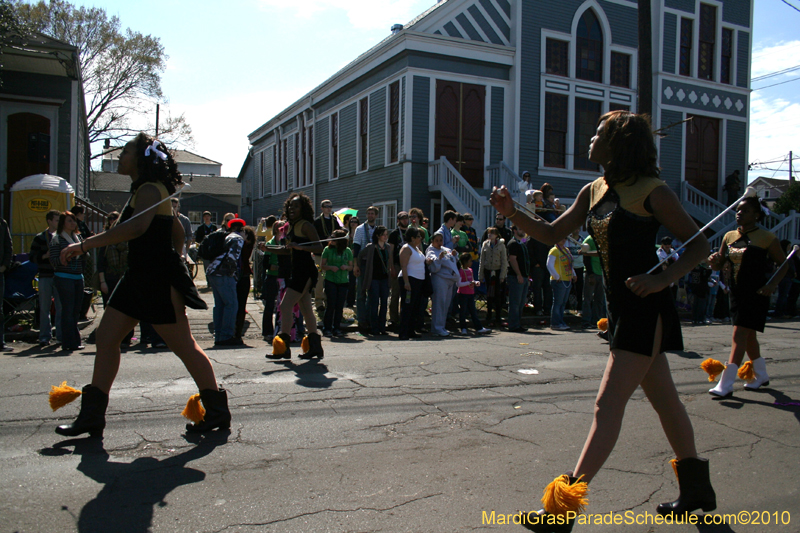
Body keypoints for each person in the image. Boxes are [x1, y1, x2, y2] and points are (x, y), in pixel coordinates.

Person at [490, 110, 715, 528]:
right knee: (666, 401)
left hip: (645, 309)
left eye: (598, 134)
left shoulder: (654, 191)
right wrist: (511, 212)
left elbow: (700, 245)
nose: (590, 138)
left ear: (619, 145)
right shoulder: (594, 189)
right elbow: (551, 234)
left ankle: (561, 510)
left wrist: (662, 277)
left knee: (606, 406)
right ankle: (697, 489)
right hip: (621, 309)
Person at [55, 133, 230, 437]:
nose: (120, 157)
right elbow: (174, 228)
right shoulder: (145, 190)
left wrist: (84, 245)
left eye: (125, 151)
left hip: (156, 280)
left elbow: (135, 228)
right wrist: (178, 254)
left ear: (141, 159)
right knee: (107, 338)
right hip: (138, 277)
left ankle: (216, 411)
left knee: (185, 346)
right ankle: (92, 417)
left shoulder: (150, 189)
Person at [706, 197, 787, 397]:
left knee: (739, 335)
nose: (739, 213)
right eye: (738, 210)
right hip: (736, 293)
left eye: (744, 211)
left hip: (756, 293)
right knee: (749, 337)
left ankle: (725, 384)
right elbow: (720, 263)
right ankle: (761, 375)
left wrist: (772, 285)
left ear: (756, 215)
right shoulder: (729, 236)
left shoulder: (767, 238)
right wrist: (713, 261)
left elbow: (784, 264)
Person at [267, 193, 325, 360]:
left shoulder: (306, 225)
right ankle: (315, 347)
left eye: (296, 206)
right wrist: (268, 249)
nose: (292, 209)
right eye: (290, 206)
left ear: (303, 209)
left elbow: (319, 248)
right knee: (306, 310)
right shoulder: (290, 226)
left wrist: (300, 247)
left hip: (305, 271)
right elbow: (287, 250)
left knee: (285, 307)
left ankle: (283, 347)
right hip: (297, 271)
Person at [49, 211, 86, 352]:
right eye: (69, 221)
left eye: (74, 221)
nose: (73, 223)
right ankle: (68, 342)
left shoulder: (78, 238)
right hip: (64, 277)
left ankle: (75, 340)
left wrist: (80, 251)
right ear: (62, 223)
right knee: (67, 310)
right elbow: (54, 260)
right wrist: (67, 256)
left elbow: (85, 256)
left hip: (78, 277)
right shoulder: (57, 239)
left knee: (76, 311)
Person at [95, 212, 133, 346]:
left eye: (115, 219)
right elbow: (100, 263)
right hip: (110, 277)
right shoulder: (106, 239)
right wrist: (102, 282)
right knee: (110, 308)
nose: (112, 221)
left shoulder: (128, 238)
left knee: (127, 307)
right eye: (110, 219)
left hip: (125, 276)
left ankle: (127, 337)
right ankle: (111, 337)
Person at [207, 218, 245, 346]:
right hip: (224, 274)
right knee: (232, 305)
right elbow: (232, 257)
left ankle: (218, 335)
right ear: (242, 230)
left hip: (212, 271)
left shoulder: (226, 236)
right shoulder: (238, 239)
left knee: (219, 305)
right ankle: (226, 336)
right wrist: (233, 274)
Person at [30, 209, 62, 347]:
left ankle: (60, 336)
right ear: (49, 221)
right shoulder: (40, 238)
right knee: (44, 307)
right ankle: (44, 336)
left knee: (61, 307)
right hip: (45, 275)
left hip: (60, 275)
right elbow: (32, 257)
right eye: (56, 220)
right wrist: (44, 256)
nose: (59, 223)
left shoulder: (62, 237)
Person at [358, 226, 393, 336]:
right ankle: (374, 327)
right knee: (374, 303)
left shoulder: (387, 247)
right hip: (373, 279)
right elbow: (360, 256)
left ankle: (382, 327)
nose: (386, 237)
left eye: (386, 235)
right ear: (378, 235)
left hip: (384, 278)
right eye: (384, 234)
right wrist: (363, 268)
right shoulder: (371, 247)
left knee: (384, 303)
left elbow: (389, 262)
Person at [313, 199, 343, 318]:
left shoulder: (334, 220)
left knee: (331, 278)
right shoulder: (316, 221)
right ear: (322, 208)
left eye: (330, 206)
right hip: (320, 254)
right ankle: (319, 302)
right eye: (326, 206)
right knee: (320, 278)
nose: (328, 208)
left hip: (332, 253)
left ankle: (329, 300)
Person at [426, 232, 460, 337]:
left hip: (450, 279)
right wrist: (439, 259)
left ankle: (442, 326)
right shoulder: (431, 251)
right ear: (432, 241)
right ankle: (436, 328)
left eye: (440, 240)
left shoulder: (446, 249)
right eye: (436, 240)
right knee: (439, 304)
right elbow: (433, 267)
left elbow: (453, 259)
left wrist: (455, 255)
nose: (439, 243)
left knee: (446, 304)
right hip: (440, 279)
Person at [321, 229, 353, 336]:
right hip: (330, 280)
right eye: (332, 238)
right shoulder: (327, 249)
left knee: (339, 306)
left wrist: (346, 267)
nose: (332, 240)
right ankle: (327, 328)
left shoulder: (347, 251)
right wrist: (330, 267)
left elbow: (351, 266)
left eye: (335, 238)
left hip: (343, 281)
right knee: (331, 305)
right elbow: (322, 265)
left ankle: (337, 328)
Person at [398, 227, 428, 340]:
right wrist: (406, 282)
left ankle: (411, 330)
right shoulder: (406, 248)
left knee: (415, 307)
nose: (420, 238)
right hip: (409, 279)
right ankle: (403, 332)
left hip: (419, 280)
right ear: (412, 238)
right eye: (418, 236)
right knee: (407, 307)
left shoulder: (417, 248)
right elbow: (404, 266)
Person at [353, 206, 378, 331]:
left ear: (376, 215)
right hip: (363, 263)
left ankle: (369, 319)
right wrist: (356, 265)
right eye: (368, 213)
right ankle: (361, 320)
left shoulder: (379, 230)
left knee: (373, 293)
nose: (370, 215)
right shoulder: (360, 229)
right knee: (361, 293)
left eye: (372, 213)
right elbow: (356, 248)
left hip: (375, 264)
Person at [478, 227, 507, 327]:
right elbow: (482, 260)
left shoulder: (501, 245)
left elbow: (504, 261)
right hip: (488, 270)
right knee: (489, 294)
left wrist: (502, 275)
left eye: (492, 234)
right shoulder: (485, 244)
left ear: (496, 235)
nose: (490, 235)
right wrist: (480, 275)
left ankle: (498, 315)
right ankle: (489, 314)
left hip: (497, 271)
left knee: (497, 295)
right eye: (489, 234)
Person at [457, 253, 490, 335]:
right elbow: (459, 284)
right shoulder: (461, 271)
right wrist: (468, 283)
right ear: (465, 262)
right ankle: (463, 327)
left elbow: (471, 280)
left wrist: (475, 282)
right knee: (463, 311)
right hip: (463, 294)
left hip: (470, 293)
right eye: (470, 261)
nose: (471, 262)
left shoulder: (470, 270)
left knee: (473, 311)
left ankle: (479, 327)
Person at [259, 220, 281, 341]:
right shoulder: (270, 243)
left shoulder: (285, 243)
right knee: (270, 305)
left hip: (282, 277)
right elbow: (265, 264)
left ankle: (280, 329)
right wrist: (274, 267)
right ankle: (267, 331)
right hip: (272, 277)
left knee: (281, 305)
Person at [506, 225, 531, 333]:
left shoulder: (522, 243)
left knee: (521, 303)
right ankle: (513, 325)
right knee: (515, 302)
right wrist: (519, 274)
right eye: (521, 229)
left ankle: (518, 324)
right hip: (515, 277)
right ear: (515, 231)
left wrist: (527, 276)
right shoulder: (513, 243)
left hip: (524, 276)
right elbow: (512, 260)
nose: (523, 231)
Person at [547, 237, 575, 331]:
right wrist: (556, 276)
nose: (563, 240)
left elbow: (569, 264)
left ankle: (561, 321)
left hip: (567, 279)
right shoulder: (554, 250)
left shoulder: (566, 250)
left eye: (564, 238)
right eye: (561, 238)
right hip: (559, 280)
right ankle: (555, 323)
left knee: (563, 303)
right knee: (558, 303)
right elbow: (549, 264)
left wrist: (573, 274)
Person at [387, 211, 409, 327]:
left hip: (409, 265)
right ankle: (393, 318)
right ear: (398, 220)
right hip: (397, 264)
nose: (405, 220)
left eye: (406, 218)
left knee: (407, 294)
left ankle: (404, 317)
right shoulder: (394, 234)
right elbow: (390, 251)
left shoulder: (411, 232)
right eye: (403, 218)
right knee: (395, 293)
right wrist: (391, 267)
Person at [234, 225, 256, 340]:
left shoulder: (246, 246)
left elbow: (243, 255)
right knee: (235, 304)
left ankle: (238, 332)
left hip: (244, 275)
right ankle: (234, 330)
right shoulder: (239, 244)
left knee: (241, 305)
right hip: (238, 275)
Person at [580, 234, 606, 329]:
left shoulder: (602, 238)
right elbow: (586, 257)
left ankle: (597, 321)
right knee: (587, 298)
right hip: (592, 273)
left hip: (601, 272)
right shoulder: (589, 240)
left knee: (599, 299)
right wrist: (590, 274)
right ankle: (586, 321)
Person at [346, 216, 360, 308]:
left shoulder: (360, 233)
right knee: (351, 282)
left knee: (360, 282)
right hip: (349, 260)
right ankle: (350, 301)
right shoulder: (347, 234)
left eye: (355, 222)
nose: (353, 223)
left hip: (359, 259)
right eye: (351, 221)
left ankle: (359, 300)